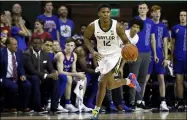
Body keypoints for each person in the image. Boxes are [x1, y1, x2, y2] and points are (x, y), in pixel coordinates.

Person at [83, 4, 141, 118]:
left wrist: (132, 54)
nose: (105, 14)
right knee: (109, 86)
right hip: (102, 56)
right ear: (99, 13)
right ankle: (129, 81)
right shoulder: (92, 26)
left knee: (101, 82)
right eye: (103, 12)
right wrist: (93, 51)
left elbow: (126, 41)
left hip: (115, 56)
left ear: (110, 13)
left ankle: (95, 112)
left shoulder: (117, 26)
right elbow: (86, 38)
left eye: (108, 12)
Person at [128, 2, 158, 111]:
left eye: (143, 8)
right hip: (135, 52)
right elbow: (128, 36)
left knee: (142, 78)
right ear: (138, 9)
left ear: (147, 9)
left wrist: (154, 54)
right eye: (140, 8)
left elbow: (153, 39)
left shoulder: (151, 22)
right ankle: (132, 101)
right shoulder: (134, 20)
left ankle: (139, 101)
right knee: (133, 77)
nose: (142, 10)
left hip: (147, 52)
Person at [23, 37, 62, 113]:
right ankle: (38, 107)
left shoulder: (45, 55)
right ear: (31, 44)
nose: (37, 45)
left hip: (42, 78)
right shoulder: (27, 54)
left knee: (56, 79)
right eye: (35, 43)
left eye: (39, 43)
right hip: (29, 77)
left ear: (41, 44)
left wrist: (54, 73)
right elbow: (32, 71)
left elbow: (50, 68)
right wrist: (47, 76)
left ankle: (54, 107)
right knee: (35, 78)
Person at [56, 38, 92, 112]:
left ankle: (79, 103)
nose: (69, 47)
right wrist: (75, 74)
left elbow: (73, 70)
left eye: (71, 45)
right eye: (68, 45)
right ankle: (67, 103)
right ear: (64, 46)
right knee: (69, 78)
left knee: (83, 78)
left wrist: (77, 74)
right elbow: (60, 72)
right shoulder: (60, 55)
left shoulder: (74, 55)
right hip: (57, 75)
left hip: (68, 74)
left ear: (74, 46)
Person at [145, 5, 169, 111]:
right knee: (144, 79)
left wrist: (165, 57)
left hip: (159, 55)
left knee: (161, 78)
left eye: (159, 12)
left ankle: (163, 102)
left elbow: (165, 42)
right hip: (147, 54)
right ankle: (139, 101)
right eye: (155, 12)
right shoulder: (147, 24)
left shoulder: (163, 27)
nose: (158, 14)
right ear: (151, 13)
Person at [0, 37, 31, 113]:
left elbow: (20, 66)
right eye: (14, 44)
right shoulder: (1, 53)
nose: (16, 46)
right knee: (14, 87)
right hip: (5, 77)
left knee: (27, 84)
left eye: (17, 44)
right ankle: (11, 107)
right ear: (8, 46)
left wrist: (23, 75)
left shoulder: (19, 52)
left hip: (16, 77)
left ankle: (23, 107)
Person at [43, 39, 68, 112]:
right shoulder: (50, 54)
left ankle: (57, 102)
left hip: (53, 74)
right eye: (54, 45)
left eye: (58, 45)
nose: (56, 47)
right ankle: (53, 101)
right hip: (44, 75)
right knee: (60, 77)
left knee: (63, 77)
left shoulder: (59, 54)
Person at [74, 39, 99, 109]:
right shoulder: (80, 51)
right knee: (86, 77)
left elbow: (95, 65)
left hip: (89, 72)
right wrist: (97, 71)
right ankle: (80, 102)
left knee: (100, 79)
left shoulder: (92, 51)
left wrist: (100, 71)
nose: (91, 46)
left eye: (93, 44)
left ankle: (89, 102)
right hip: (77, 72)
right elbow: (84, 68)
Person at [171, 10, 187, 111]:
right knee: (179, 81)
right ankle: (180, 102)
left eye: (185, 15)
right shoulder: (175, 28)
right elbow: (172, 44)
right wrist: (171, 58)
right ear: (179, 17)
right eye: (181, 15)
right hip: (178, 58)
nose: (183, 17)